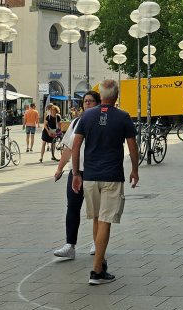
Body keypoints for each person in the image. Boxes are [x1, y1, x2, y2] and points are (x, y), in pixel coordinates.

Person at [69, 80, 139, 285]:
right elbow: (132, 148)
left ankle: (101, 261)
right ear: (116, 96)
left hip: (90, 176)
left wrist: (75, 174)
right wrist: (135, 170)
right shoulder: (123, 117)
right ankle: (96, 271)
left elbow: (75, 145)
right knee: (105, 220)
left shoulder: (87, 115)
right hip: (112, 176)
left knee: (97, 219)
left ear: (101, 96)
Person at [53, 90, 100, 260]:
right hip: (76, 171)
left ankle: (97, 242)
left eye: (91, 101)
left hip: (94, 171)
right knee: (72, 207)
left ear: (98, 103)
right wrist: (59, 168)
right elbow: (68, 148)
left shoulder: (101, 122)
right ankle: (70, 245)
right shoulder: (75, 122)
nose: (87, 103)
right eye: (85, 101)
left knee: (96, 209)